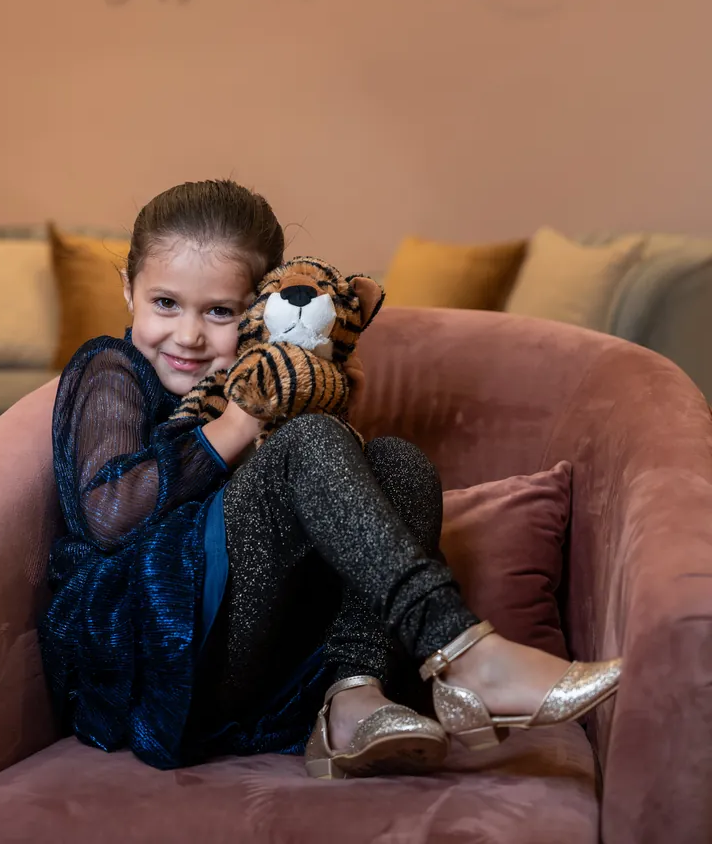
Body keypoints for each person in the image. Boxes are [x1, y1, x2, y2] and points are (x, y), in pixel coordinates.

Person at [39, 179, 621, 778]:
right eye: (165, 304)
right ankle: (464, 654)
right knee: (308, 443)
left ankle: (352, 697)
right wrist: (242, 424)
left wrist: (316, 402)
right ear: (127, 289)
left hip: (255, 665)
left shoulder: (263, 371)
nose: (188, 335)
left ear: (260, 310)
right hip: (142, 659)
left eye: (220, 312)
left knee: (398, 462)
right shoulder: (112, 368)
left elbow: (308, 529)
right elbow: (108, 515)